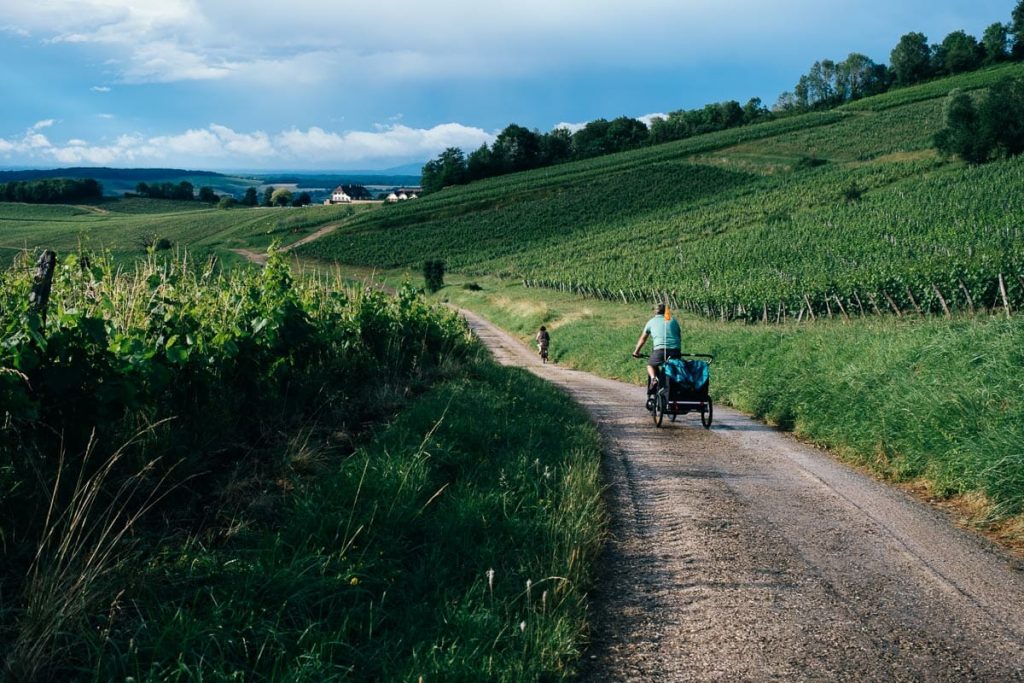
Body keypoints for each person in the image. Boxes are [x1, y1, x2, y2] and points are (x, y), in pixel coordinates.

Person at [632, 303, 681, 392]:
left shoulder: (651, 322)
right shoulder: (673, 320)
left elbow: (643, 339)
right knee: (673, 367)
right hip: (675, 351)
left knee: (650, 364)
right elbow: (679, 336)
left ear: (655, 312)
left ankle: (654, 378)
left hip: (660, 351)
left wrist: (636, 352)